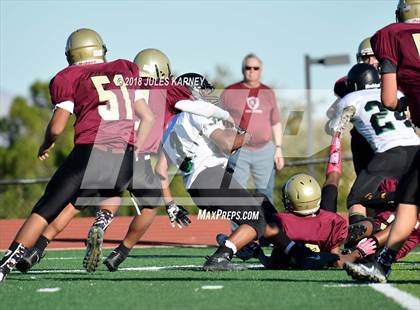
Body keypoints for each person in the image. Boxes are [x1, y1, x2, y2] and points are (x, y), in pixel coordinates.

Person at [0, 28, 156, 282]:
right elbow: (147, 117)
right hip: (124, 158)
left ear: (71, 54)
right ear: (101, 49)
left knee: (45, 209)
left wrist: (46, 144)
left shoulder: (69, 76)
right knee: (109, 191)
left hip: (91, 150)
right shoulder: (125, 68)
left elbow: (57, 127)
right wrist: (135, 150)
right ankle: (100, 222)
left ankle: (6, 265)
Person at [156, 75, 339, 271]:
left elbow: (160, 170)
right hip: (211, 178)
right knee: (255, 219)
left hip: (197, 187)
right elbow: (227, 144)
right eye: (204, 91)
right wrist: (245, 136)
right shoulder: (198, 113)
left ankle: (296, 253)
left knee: (264, 208)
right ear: (192, 92)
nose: (208, 96)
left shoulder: (171, 125)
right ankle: (221, 256)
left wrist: (171, 205)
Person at [344, 0, 420, 283]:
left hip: (391, 152)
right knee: (409, 199)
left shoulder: (390, 35)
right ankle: (382, 264)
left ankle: (381, 264)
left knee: (408, 202)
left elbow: (388, 100)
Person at [329, 63, 419, 242]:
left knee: (356, 198)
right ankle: (400, 198)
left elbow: (334, 128)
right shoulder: (397, 94)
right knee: (408, 198)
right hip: (416, 149)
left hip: (389, 152)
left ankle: (358, 236)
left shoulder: (351, 98)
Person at [220, 53, 284, 202]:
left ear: (261, 70)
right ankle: (238, 226)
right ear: (243, 69)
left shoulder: (268, 92)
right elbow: (219, 121)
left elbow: (276, 122)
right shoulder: (230, 91)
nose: (252, 71)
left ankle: (266, 225)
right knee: (237, 195)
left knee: (265, 195)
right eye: (248, 67)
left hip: (265, 150)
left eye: (256, 68)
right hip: (238, 150)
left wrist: (279, 148)